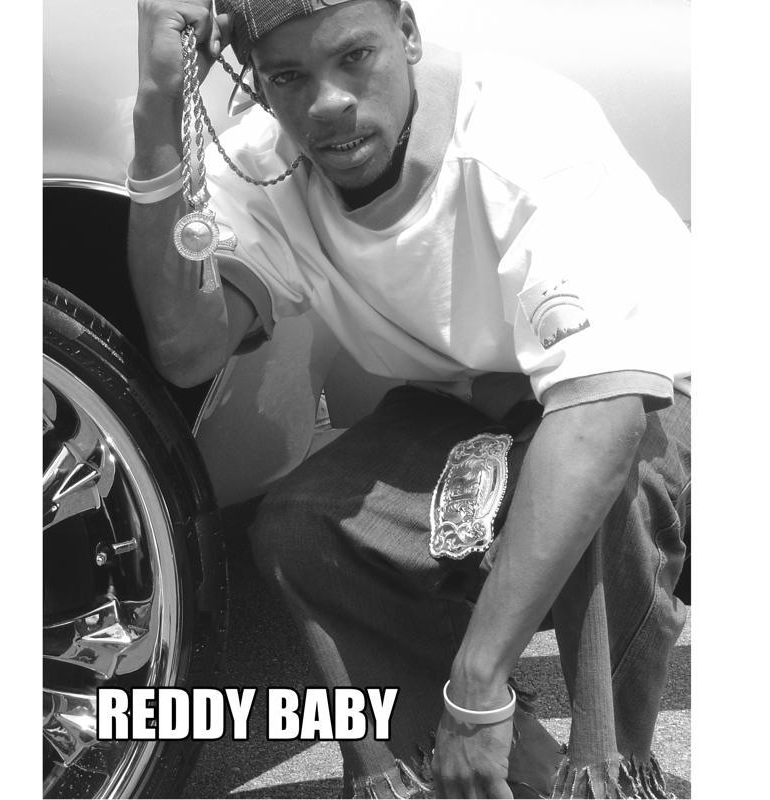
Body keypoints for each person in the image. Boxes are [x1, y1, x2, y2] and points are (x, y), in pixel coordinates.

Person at [128, 1, 691, 797]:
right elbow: (188, 349)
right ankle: (503, 770)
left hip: (664, 399)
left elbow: (604, 412)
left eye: (355, 57)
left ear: (410, 34)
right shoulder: (266, 166)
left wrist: (478, 683)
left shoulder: (522, 135)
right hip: (479, 412)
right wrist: (157, 109)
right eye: (288, 77)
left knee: (595, 481)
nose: (326, 103)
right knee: (299, 528)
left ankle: (606, 772)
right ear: (256, 81)